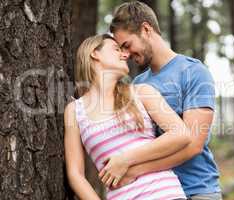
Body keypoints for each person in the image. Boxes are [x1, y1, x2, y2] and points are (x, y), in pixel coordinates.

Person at [103, 1, 222, 200]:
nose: (125, 54)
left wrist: (132, 168)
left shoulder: (193, 72)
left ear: (146, 29)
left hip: (196, 190)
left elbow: (193, 145)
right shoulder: (139, 83)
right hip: (154, 192)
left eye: (127, 45)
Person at [64, 34, 192, 200]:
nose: (125, 54)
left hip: (165, 194)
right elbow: (75, 174)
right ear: (94, 53)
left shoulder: (142, 92)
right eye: (116, 49)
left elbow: (181, 134)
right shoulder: (74, 110)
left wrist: (125, 159)